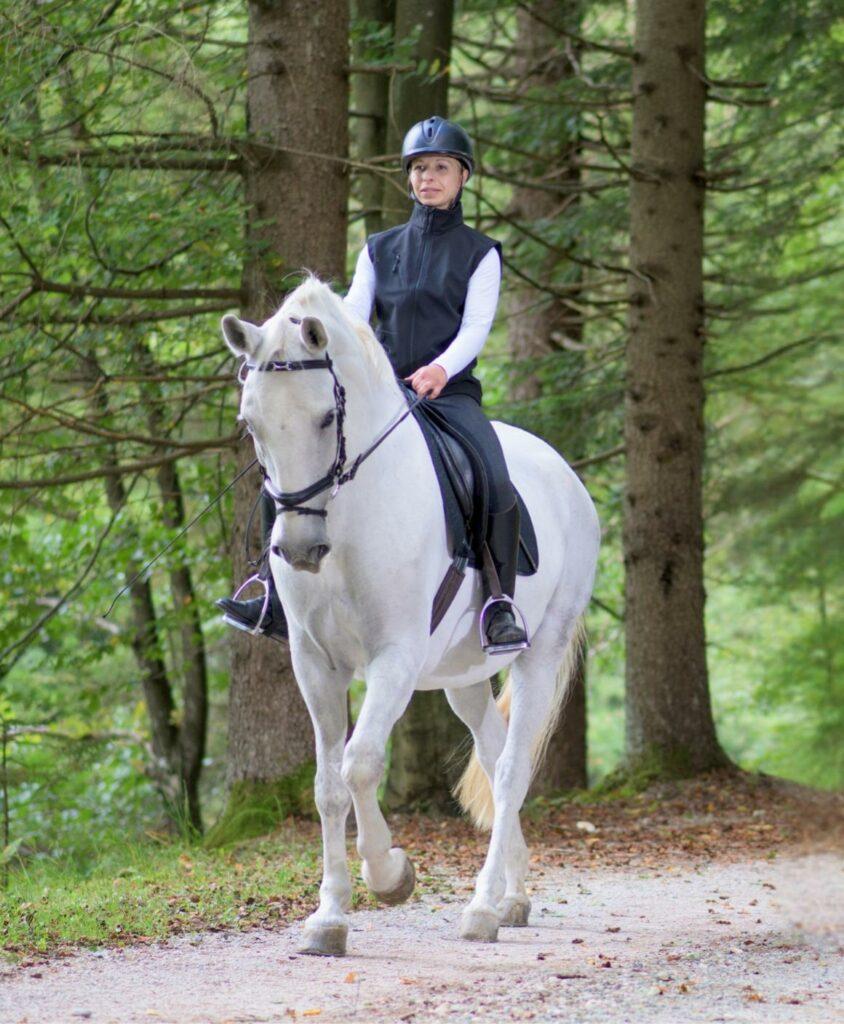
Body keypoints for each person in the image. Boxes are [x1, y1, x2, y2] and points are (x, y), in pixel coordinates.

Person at [218, 115, 528, 653]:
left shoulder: (481, 253)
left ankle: (499, 602)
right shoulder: (380, 249)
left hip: (447, 394)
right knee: (289, 463)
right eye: (419, 169)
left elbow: (477, 327)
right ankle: (271, 592)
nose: (428, 177)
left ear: (462, 177)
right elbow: (354, 318)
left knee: (493, 476)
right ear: (408, 178)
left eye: (440, 168)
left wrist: (440, 370)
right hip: (384, 396)